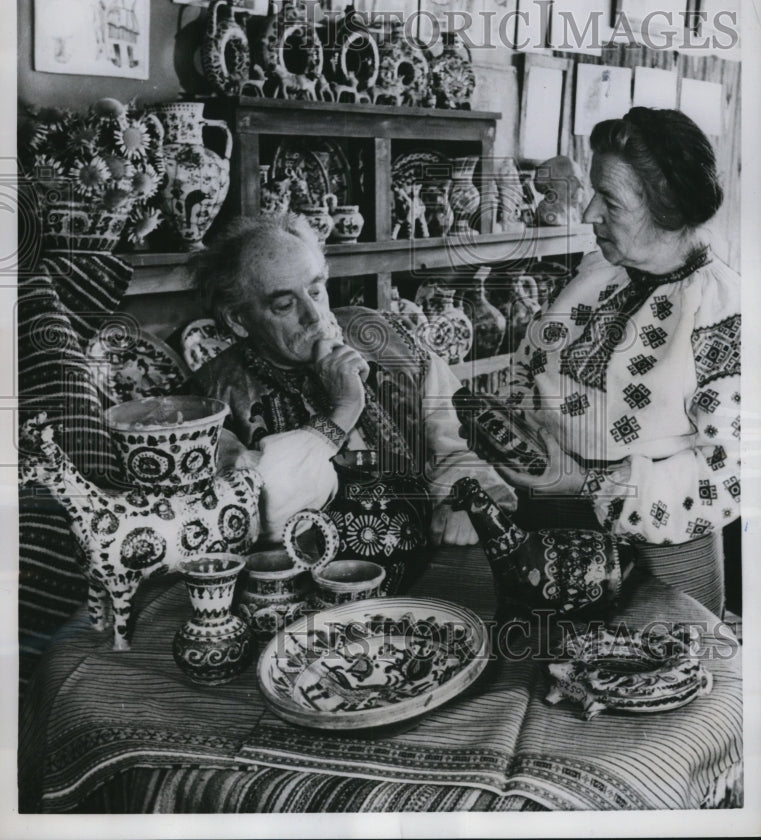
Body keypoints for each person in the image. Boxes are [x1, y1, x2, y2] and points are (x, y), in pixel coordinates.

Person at [480, 107, 740, 615]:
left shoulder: (721, 308)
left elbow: (734, 472)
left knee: (646, 682)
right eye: (594, 191)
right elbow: (530, 366)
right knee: (537, 680)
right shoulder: (598, 272)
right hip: (543, 530)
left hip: (658, 553)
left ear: (666, 208)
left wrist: (589, 484)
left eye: (611, 201)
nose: (588, 212)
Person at [186, 211, 516, 547]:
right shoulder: (210, 400)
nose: (313, 316)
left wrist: (464, 502)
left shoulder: (382, 337)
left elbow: (461, 444)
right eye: (285, 305)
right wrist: (342, 410)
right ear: (238, 319)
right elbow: (253, 516)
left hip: (423, 562)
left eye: (316, 291)